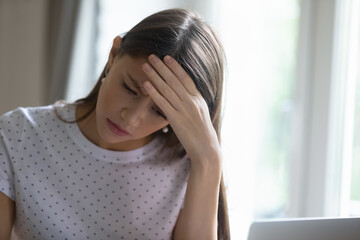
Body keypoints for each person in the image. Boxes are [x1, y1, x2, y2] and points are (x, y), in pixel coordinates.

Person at [0, 8, 230, 240]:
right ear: (113, 54)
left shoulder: (189, 168)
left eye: (159, 111)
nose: (131, 118)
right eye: (129, 88)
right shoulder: (18, 135)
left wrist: (209, 160)